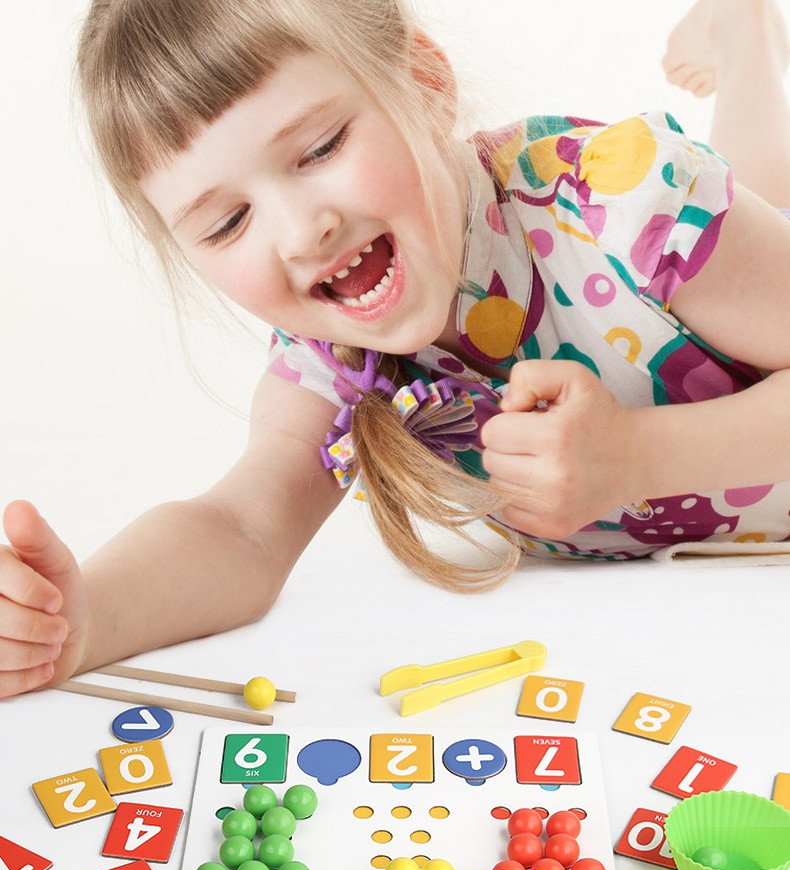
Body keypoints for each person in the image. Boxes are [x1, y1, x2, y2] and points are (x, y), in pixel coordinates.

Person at [1, 0, 789, 700]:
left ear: (424, 82)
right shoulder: (332, 359)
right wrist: (82, 620)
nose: (301, 232)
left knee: (758, 198)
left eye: (319, 148)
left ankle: (744, 26)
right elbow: (242, 531)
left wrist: (640, 456)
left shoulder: (629, 204)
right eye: (228, 223)